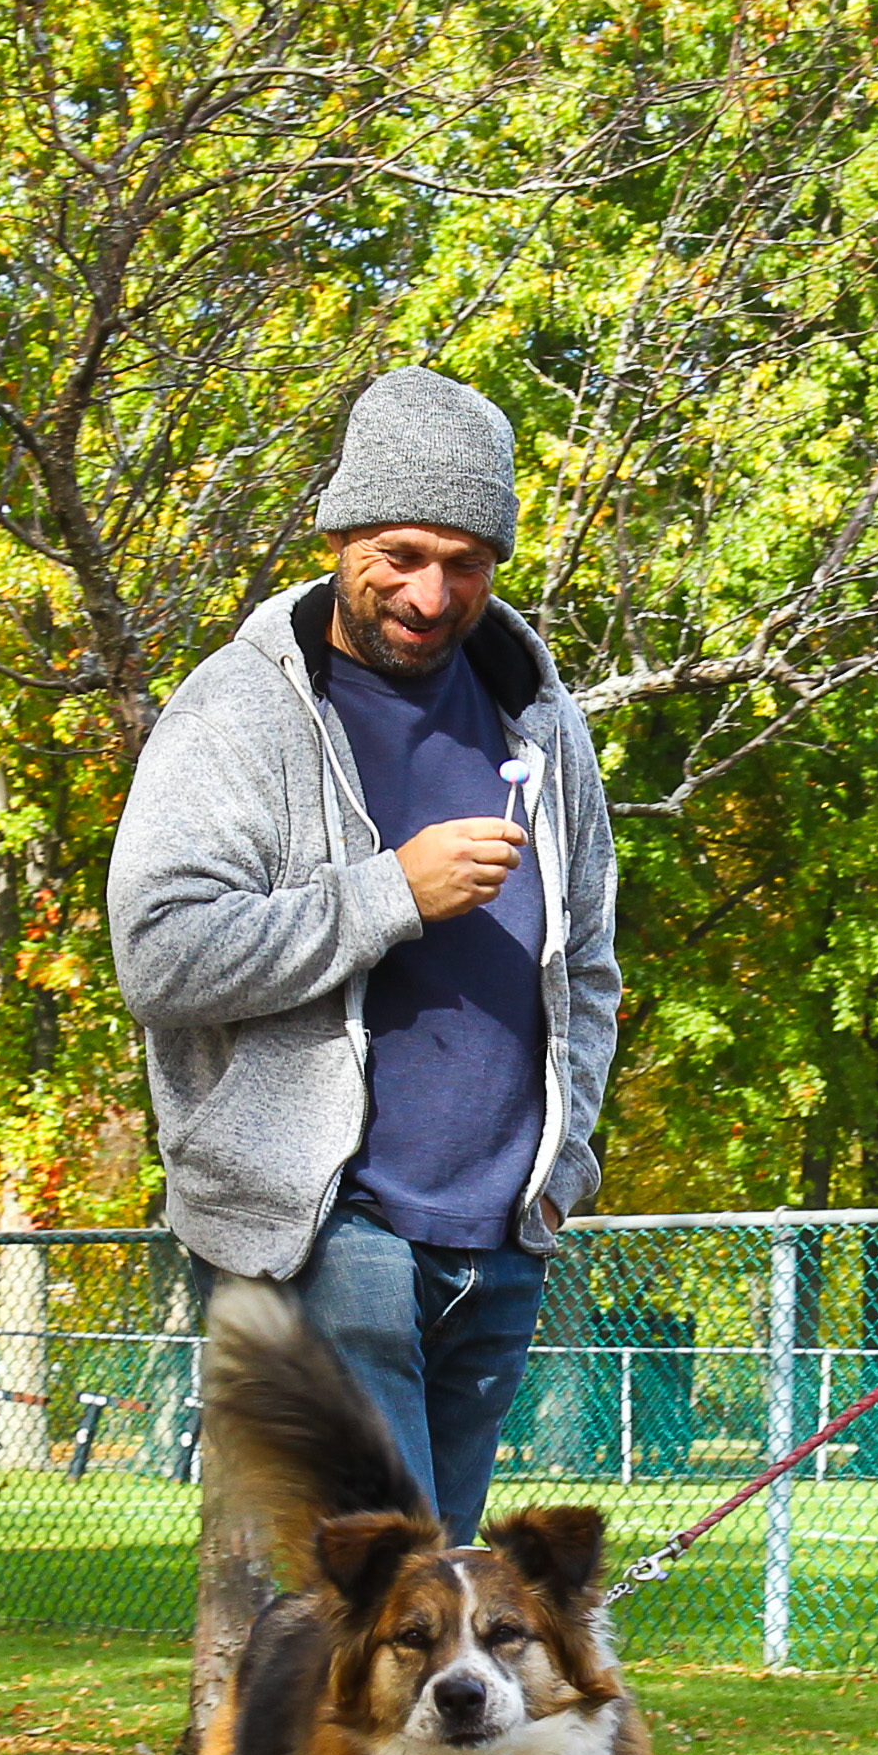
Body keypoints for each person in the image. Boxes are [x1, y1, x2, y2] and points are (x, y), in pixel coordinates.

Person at [109, 364, 620, 1546]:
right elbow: (162, 951)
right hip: (331, 1231)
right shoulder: (240, 713)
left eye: (465, 562)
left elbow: (586, 961)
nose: (431, 593)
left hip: (502, 1235)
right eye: (399, 552)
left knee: (428, 1629)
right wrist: (394, 890)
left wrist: (564, 1154)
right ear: (338, 531)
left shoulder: (541, 723)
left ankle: (265, 1734)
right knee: (397, 1615)